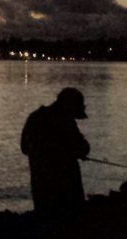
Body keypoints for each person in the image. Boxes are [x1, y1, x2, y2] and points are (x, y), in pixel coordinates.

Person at [21, 87, 91, 217]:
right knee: (70, 221)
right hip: (67, 185)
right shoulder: (65, 121)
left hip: (40, 183)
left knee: (45, 219)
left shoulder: (34, 117)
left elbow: (24, 148)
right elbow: (84, 148)